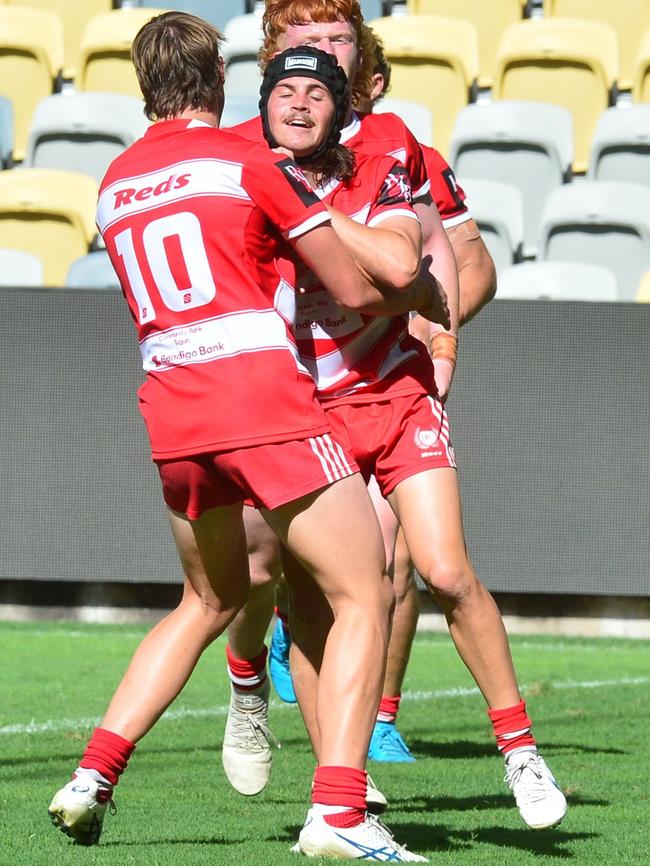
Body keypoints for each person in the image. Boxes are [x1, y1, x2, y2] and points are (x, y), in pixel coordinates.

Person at [46, 13, 442, 860]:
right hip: (262, 403)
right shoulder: (246, 159)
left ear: (144, 86)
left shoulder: (113, 181)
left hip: (172, 411)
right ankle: (339, 813)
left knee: (207, 600)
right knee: (363, 594)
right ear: (223, 86)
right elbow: (355, 285)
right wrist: (417, 288)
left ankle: (91, 775)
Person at [219, 0, 568, 835]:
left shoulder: (388, 143)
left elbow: (436, 257)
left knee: (436, 569)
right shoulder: (235, 153)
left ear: (358, 70)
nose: (319, 62)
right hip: (299, 403)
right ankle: (285, 721)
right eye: (304, 44)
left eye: (339, 41)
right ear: (271, 60)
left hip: (396, 390)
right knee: (279, 578)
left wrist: (441, 342)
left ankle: (518, 751)